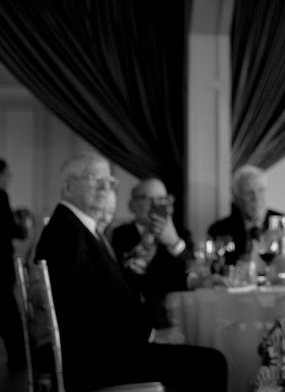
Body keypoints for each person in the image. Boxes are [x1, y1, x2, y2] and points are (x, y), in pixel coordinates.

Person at [33, 153, 226, 392]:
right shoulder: (68, 234)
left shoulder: (76, 228)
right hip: (94, 360)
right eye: (95, 179)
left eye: (110, 182)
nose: (106, 187)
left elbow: (106, 292)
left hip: (101, 349)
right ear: (68, 186)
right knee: (211, 363)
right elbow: (87, 306)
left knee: (203, 356)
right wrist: (151, 335)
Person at [112, 178, 194, 328]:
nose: (157, 205)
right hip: (136, 320)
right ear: (133, 205)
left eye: (162, 199)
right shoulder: (118, 235)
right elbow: (120, 282)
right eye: (150, 199)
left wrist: (174, 242)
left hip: (180, 316)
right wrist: (145, 244)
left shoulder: (181, 233)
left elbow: (193, 271)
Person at [206, 165, 285, 266]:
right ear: (237, 198)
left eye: (261, 190)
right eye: (249, 193)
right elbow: (216, 268)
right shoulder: (219, 230)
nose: (257, 198)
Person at [0, 158, 27, 372]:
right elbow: (10, 230)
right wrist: (22, 226)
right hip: (0, 264)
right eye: (7, 174)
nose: (10, 178)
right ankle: (19, 358)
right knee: (8, 312)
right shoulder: (0, 196)